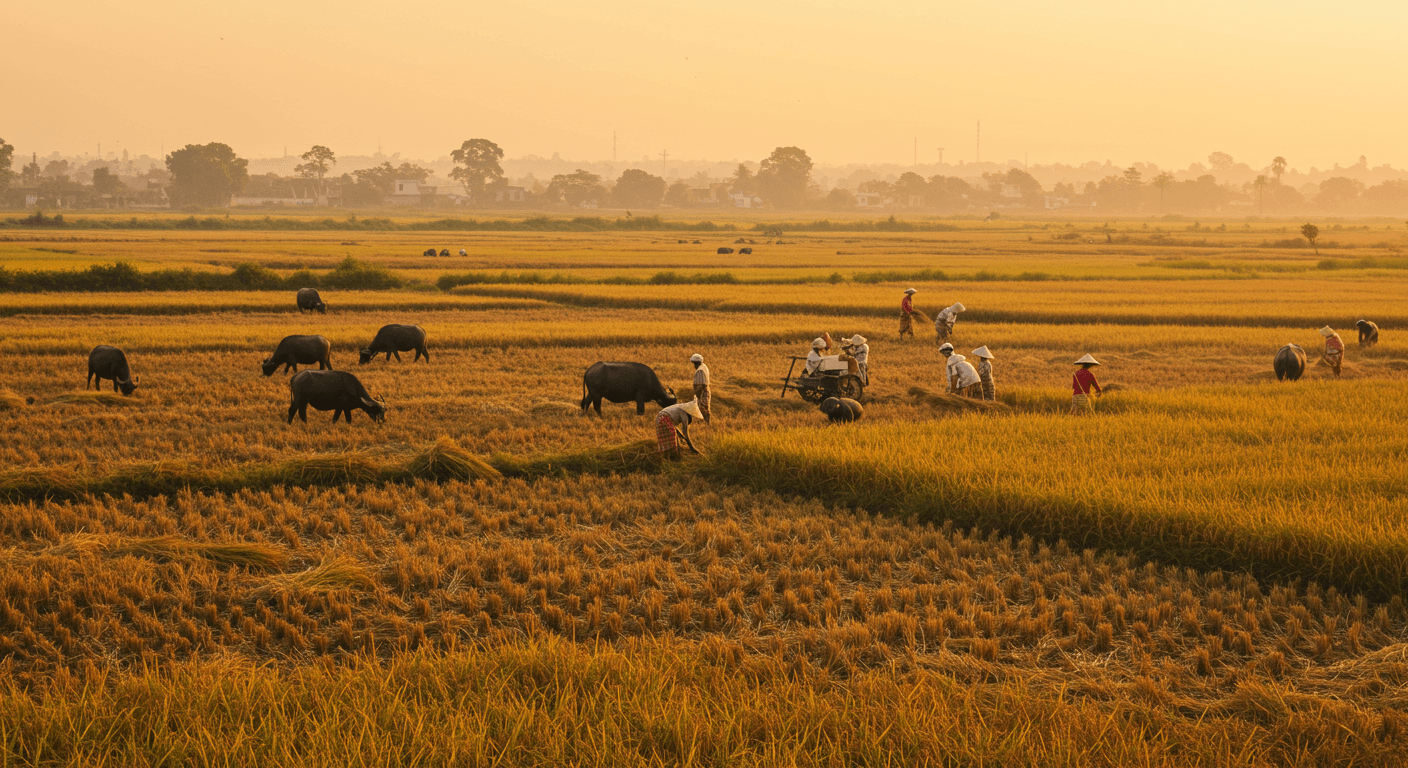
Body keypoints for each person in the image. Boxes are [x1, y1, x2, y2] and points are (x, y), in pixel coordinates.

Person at [690, 353, 711, 423]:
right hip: (706, 391)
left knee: (702, 408)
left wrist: (698, 395)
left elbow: (701, 385)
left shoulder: (700, 370)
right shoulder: (704, 366)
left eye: (694, 363)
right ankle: (706, 422)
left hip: (702, 392)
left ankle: (705, 422)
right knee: (705, 407)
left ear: (696, 363)